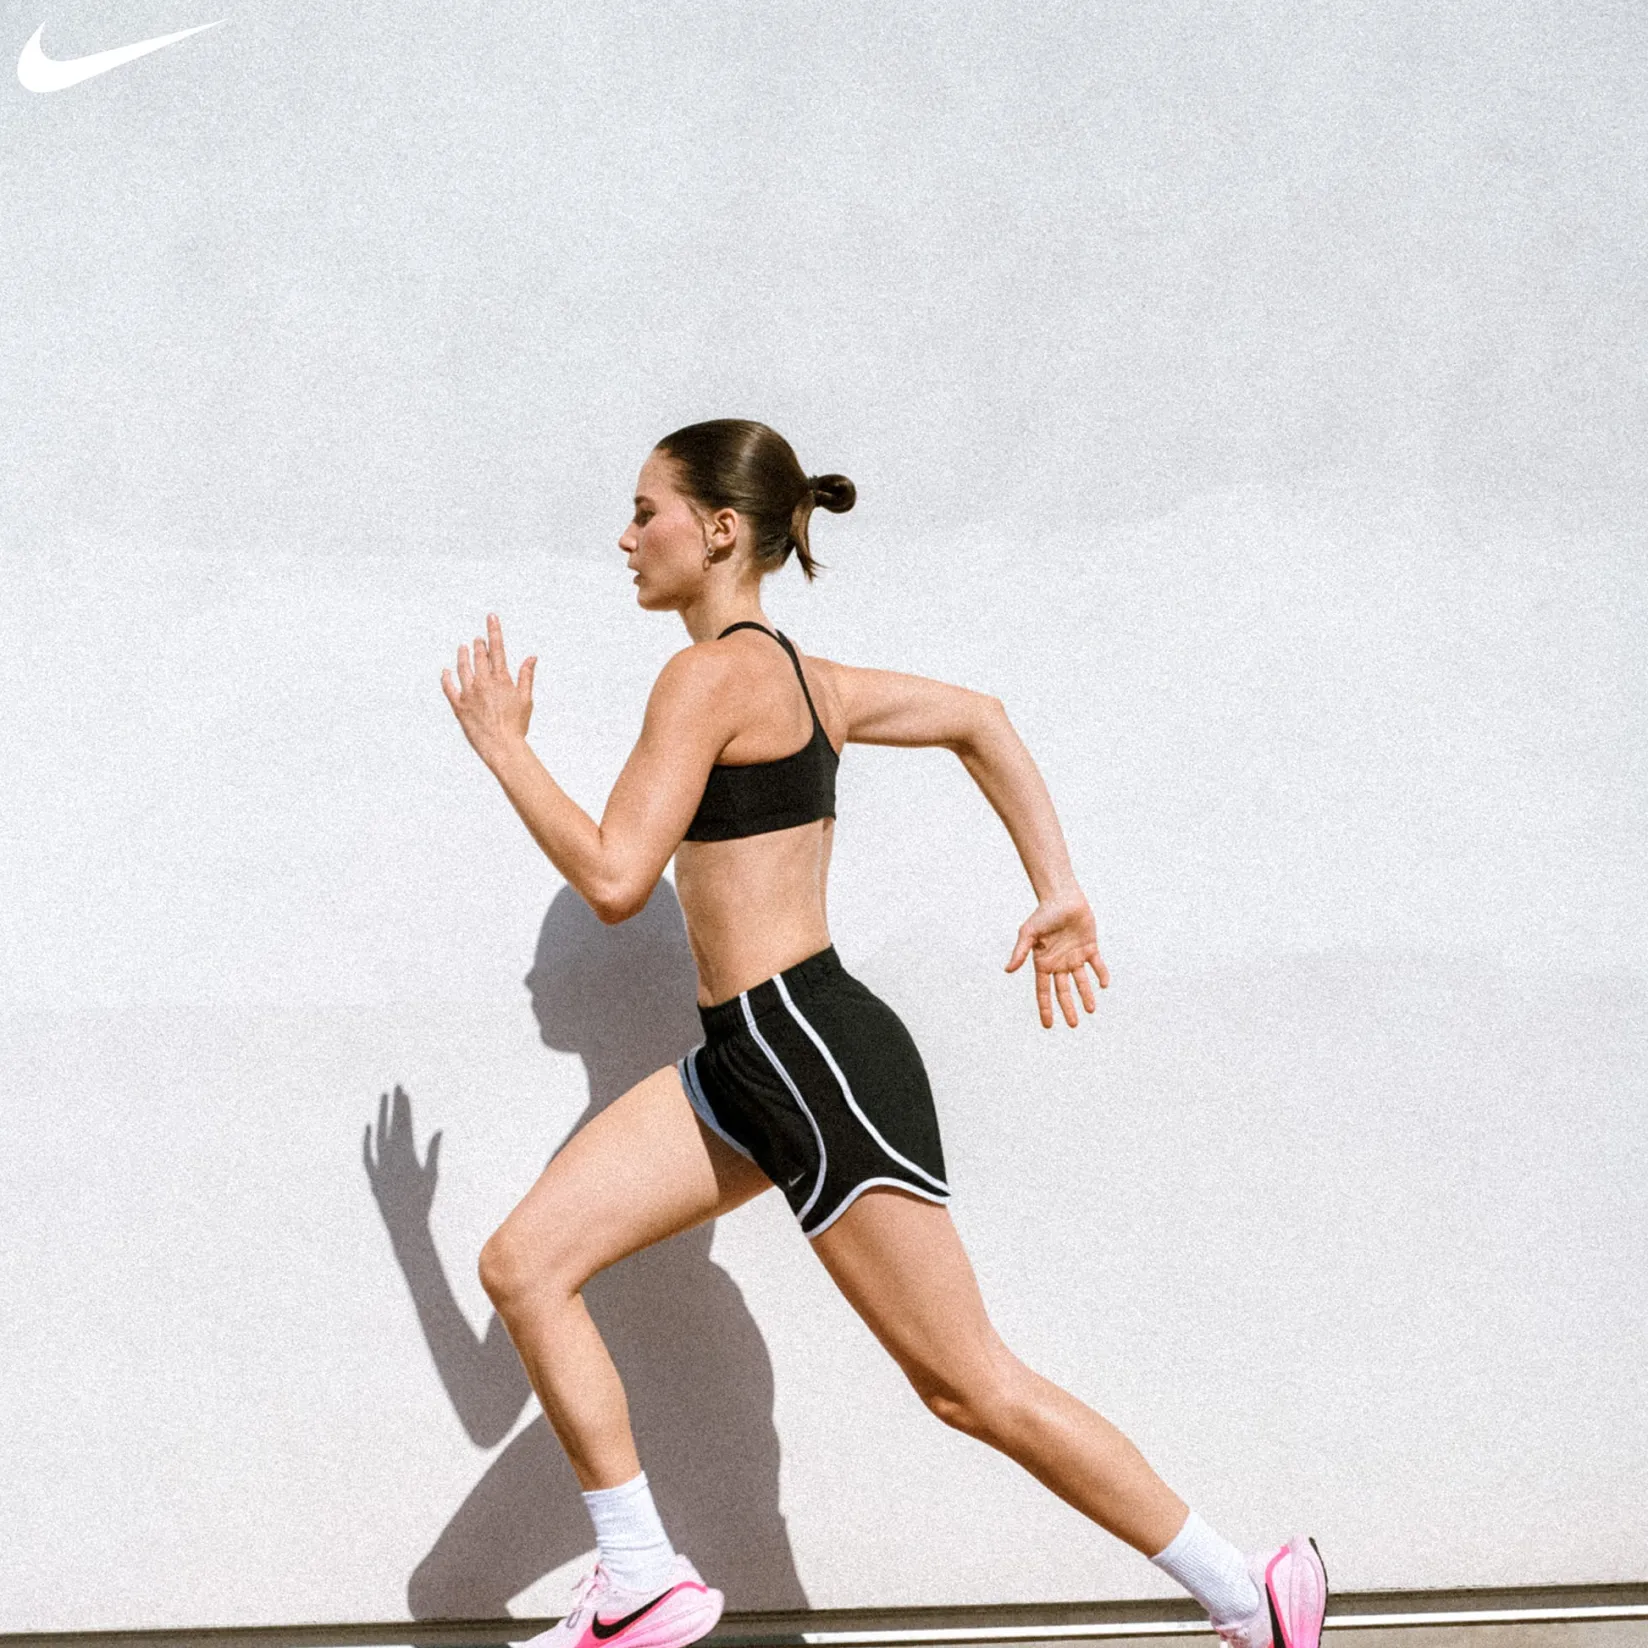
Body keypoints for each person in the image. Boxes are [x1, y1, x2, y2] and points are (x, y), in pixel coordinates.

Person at [440, 419, 1328, 1648]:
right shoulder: (810, 681)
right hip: (751, 1058)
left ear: (720, 530)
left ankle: (1249, 1586)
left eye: (646, 510)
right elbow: (981, 717)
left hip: (807, 1052)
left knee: (968, 1384)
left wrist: (504, 749)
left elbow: (611, 876)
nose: (626, 536)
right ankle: (638, 1572)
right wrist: (1057, 885)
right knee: (526, 1264)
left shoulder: (707, 678)